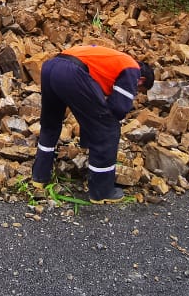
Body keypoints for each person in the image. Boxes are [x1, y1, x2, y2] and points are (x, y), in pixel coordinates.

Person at [31, 44, 155, 204]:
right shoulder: (132, 69)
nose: (135, 93)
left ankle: (39, 176)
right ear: (142, 80)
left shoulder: (116, 60)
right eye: (139, 90)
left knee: (50, 123)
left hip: (51, 66)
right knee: (107, 129)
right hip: (72, 71)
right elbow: (118, 107)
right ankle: (102, 191)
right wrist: (106, 126)